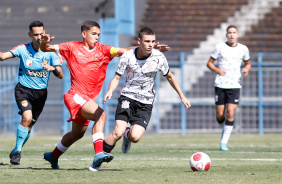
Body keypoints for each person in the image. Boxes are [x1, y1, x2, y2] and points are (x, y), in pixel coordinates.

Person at [40, 21, 169, 171]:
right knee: (101, 115)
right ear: (84, 34)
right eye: (94, 34)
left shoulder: (104, 50)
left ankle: (53, 156)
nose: (97, 37)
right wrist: (43, 42)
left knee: (76, 134)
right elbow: (46, 48)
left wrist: (149, 50)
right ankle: (99, 154)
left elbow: (126, 51)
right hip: (75, 95)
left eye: (98, 35)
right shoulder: (71, 47)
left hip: (87, 100)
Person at [102, 27, 191, 161]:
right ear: (139, 41)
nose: (151, 44)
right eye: (147, 41)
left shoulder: (159, 57)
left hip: (146, 102)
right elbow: (116, 77)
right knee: (117, 132)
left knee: (135, 137)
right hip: (128, 97)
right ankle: (99, 157)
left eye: (153, 41)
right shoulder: (127, 56)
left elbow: (170, 77)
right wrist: (110, 91)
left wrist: (182, 96)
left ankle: (128, 135)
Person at [0, 20, 64, 165]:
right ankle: (17, 152)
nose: (39, 37)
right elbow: (3, 57)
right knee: (26, 118)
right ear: (30, 35)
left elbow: (61, 75)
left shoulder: (51, 52)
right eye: (35, 34)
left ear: (45, 33)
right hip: (23, 90)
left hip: (40, 94)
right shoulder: (23, 49)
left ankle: (16, 148)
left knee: (28, 127)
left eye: (41, 34)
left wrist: (53, 69)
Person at [207, 25, 251, 151]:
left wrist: (246, 69)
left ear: (237, 34)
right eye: (229, 33)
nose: (232, 35)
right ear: (226, 35)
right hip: (220, 84)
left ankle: (223, 143)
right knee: (220, 115)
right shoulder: (220, 47)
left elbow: (248, 63)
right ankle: (225, 129)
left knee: (230, 113)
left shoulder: (243, 49)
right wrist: (217, 70)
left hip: (234, 85)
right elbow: (209, 63)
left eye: (234, 32)